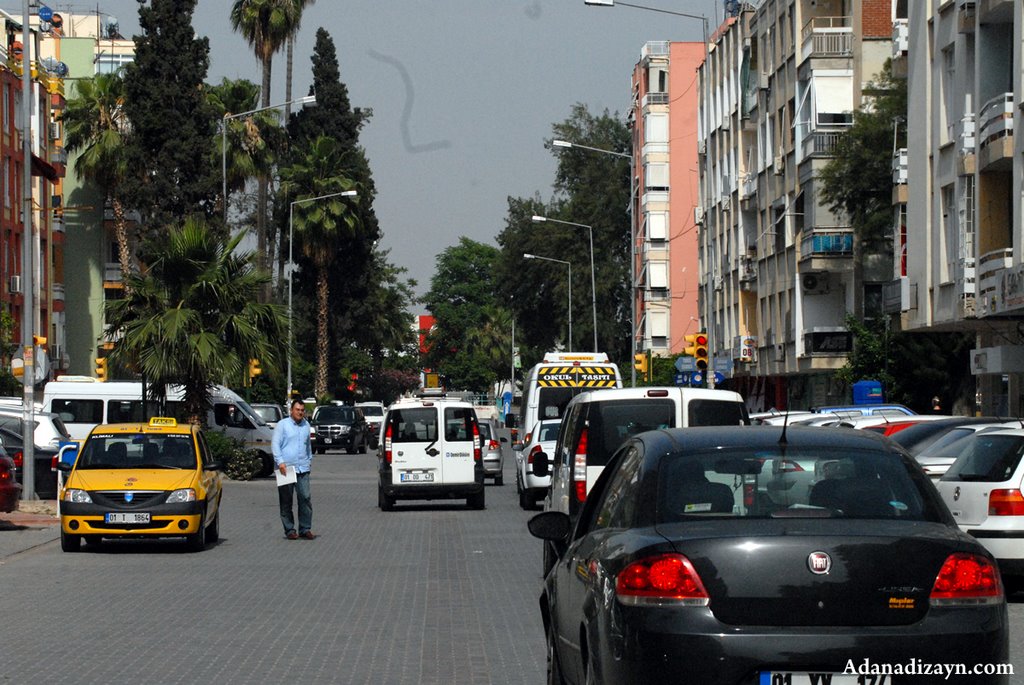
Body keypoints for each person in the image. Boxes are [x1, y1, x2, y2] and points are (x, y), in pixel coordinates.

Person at [273, 399, 315, 540]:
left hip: (302, 468)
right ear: (291, 410)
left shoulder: (306, 425)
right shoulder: (282, 425)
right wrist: (280, 462)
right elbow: (275, 445)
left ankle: (305, 528)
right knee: (286, 500)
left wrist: (309, 461)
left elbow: (308, 446)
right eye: (297, 410)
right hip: (286, 468)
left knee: (305, 498)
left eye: (302, 410)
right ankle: (290, 529)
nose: (300, 412)